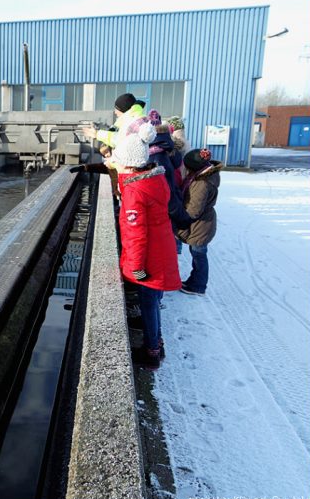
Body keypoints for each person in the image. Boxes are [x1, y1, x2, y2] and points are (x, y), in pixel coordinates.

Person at [109, 123, 182, 369]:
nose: (115, 164)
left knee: (149, 303)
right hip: (161, 250)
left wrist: (137, 267)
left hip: (150, 257)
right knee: (153, 302)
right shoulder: (153, 179)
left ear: (129, 164)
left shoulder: (135, 192)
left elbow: (136, 235)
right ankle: (157, 344)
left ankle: (152, 352)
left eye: (118, 161)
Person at [175, 148, 223, 295]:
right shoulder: (203, 176)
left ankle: (198, 285)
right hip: (203, 223)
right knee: (198, 254)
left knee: (199, 255)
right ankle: (195, 281)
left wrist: (180, 218)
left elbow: (194, 210)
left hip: (201, 225)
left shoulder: (202, 183)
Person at [81, 93, 146, 150]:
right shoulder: (131, 120)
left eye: (117, 109)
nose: (115, 112)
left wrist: (97, 134)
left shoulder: (132, 123)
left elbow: (119, 139)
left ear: (124, 110)